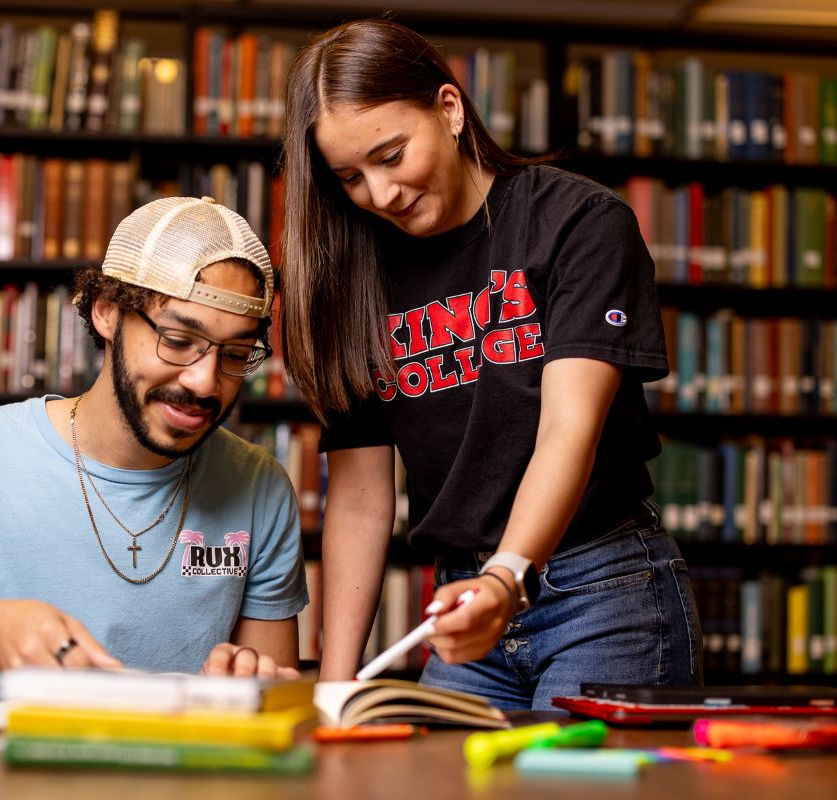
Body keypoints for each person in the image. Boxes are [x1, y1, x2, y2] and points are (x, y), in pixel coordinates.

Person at [281, 19, 702, 709]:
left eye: (391, 155)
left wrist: (506, 578)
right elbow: (359, 498)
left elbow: (569, 427)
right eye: (350, 177)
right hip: (460, 609)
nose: (380, 195)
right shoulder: (355, 279)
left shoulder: (578, 222)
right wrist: (335, 688)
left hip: (601, 591)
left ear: (449, 109)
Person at [0, 196, 308, 701]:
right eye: (179, 340)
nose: (205, 382)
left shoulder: (259, 485)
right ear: (107, 312)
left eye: (235, 355)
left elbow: (273, 711)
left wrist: (240, 692)